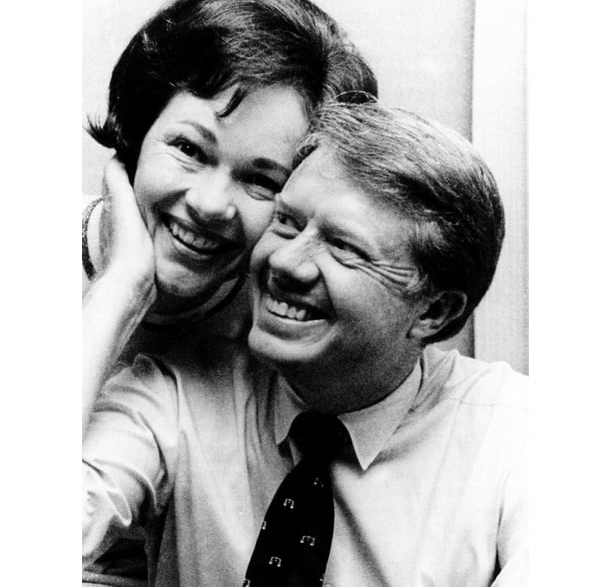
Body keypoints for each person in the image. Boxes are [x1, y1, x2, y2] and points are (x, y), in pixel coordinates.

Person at [83, 100, 527, 586]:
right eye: (288, 223)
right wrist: (119, 289)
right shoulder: (174, 394)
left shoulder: (518, 432)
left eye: (344, 248)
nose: (286, 263)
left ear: (434, 312)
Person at [82, 0, 376, 581]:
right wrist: (119, 292)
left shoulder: (277, 337)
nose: (213, 203)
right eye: (189, 148)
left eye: (263, 181)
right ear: (134, 137)